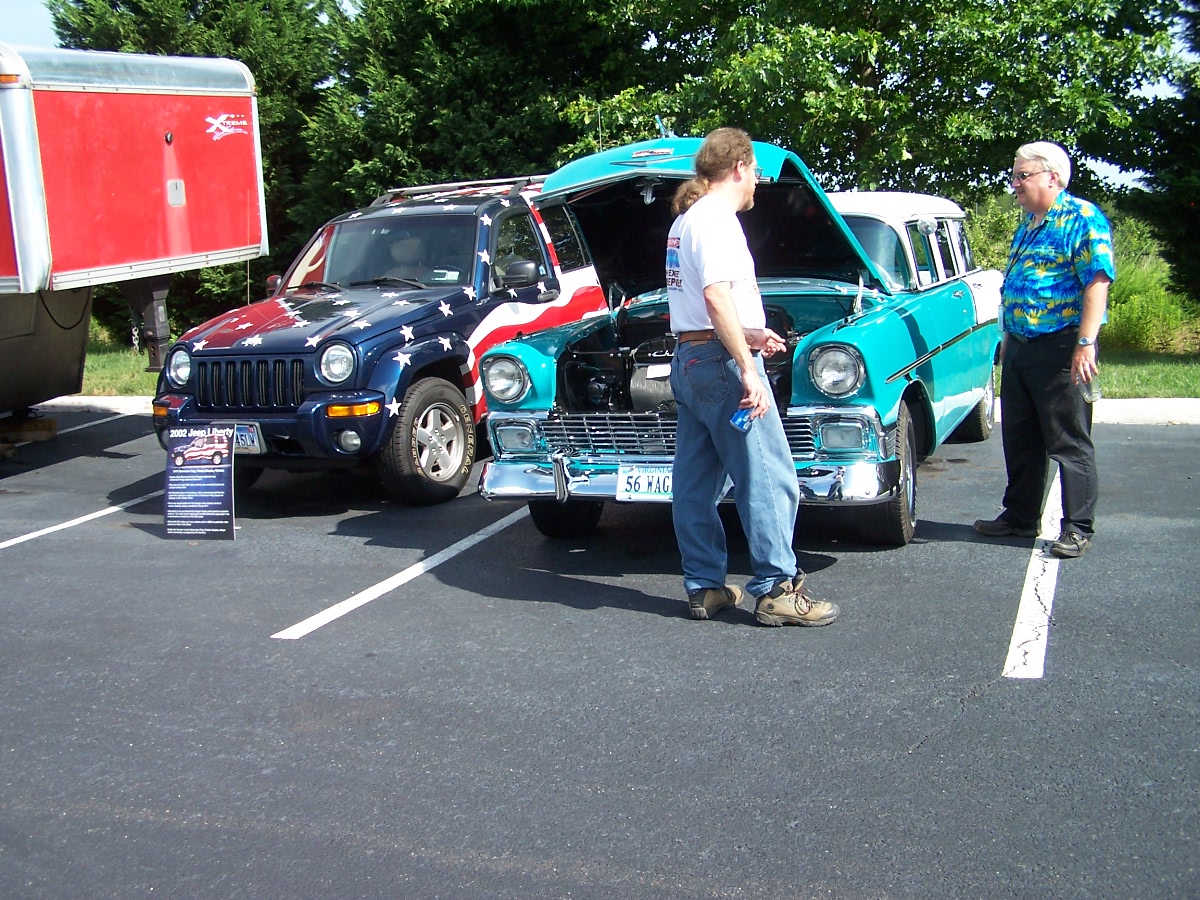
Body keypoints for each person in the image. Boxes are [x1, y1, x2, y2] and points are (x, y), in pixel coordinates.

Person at [666, 127, 839, 626]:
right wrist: (747, 365)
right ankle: (776, 588)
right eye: (757, 173)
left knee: (695, 482)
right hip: (721, 364)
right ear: (740, 166)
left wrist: (751, 333)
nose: (758, 184)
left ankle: (705, 586)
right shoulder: (718, 220)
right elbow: (717, 296)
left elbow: (701, 304)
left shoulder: (686, 222)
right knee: (768, 476)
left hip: (690, 360)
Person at [974, 141, 1115, 558]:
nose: (1015, 183)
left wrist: (1085, 344)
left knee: (1067, 440)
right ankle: (1020, 517)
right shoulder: (1031, 221)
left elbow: (1097, 281)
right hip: (1019, 345)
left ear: (1052, 177)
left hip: (1059, 345)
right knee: (1020, 437)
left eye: (1023, 175)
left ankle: (1077, 527)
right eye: (1015, 175)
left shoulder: (1082, 218)